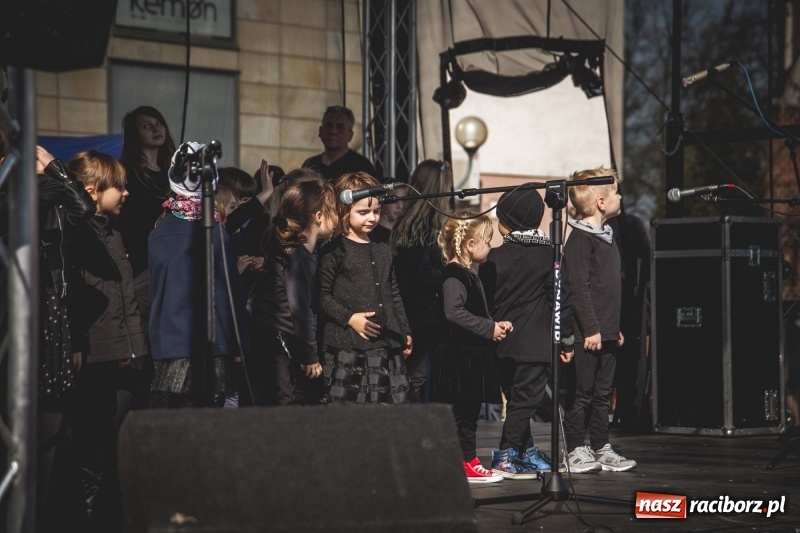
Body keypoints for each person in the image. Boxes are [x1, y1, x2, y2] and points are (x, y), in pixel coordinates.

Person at [64, 150, 149, 527]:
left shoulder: (113, 233)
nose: (126, 193)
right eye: (119, 187)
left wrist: (131, 348)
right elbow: (75, 296)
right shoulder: (75, 235)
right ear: (92, 191)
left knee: (116, 446)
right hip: (97, 357)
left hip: (123, 355)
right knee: (94, 448)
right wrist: (79, 343)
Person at [478, 187, 574, 479]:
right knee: (525, 402)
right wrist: (566, 339)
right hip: (534, 344)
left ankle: (525, 451)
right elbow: (561, 300)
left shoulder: (492, 257)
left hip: (500, 342)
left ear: (505, 222)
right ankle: (506, 454)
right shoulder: (549, 255)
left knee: (517, 401)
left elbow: (484, 300)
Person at [147, 142, 250, 408]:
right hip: (210, 344)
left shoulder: (158, 231)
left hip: (167, 343)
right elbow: (226, 293)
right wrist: (237, 343)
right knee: (204, 420)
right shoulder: (214, 232)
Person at [562, 167, 637, 472]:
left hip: (606, 332)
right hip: (586, 336)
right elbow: (579, 289)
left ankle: (600, 445)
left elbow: (608, 290)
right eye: (616, 192)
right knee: (583, 393)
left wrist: (612, 328)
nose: (621, 197)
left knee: (604, 393)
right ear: (602, 202)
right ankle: (577, 448)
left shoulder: (608, 238)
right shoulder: (580, 241)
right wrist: (591, 329)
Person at [317, 171, 412, 403]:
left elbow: (394, 294)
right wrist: (350, 318)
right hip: (348, 347)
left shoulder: (383, 249)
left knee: (385, 409)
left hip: (385, 345)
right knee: (349, 408)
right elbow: (321, 296)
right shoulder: (334, 251)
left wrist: (404, 329)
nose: (371, 217)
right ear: (344, 209)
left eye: (376, 211)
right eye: (363, 212)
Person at [432, 210, 509, 484]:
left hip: (469, 357)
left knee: (468, 412)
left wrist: (495, 325)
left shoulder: (469, 274)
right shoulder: (454, 275)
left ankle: (468, 459)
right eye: (487, 241)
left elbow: (471, 311)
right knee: (462, 412)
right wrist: (489, 328)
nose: (490, 246)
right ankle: (464, 461)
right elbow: (453, 312)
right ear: (470, 245)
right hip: (458, 359)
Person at [249, 179, 338, 405]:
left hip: (278, 337)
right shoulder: (298, 255)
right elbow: (300, 309)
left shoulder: (304, 252)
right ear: (319, 216)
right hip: (274, 338)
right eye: (334, 210)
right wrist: (310, 356)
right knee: (284, 401)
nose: (338, 217)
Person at [389, 160, 453, 402]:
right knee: (418, 377)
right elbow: (422, 274)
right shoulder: (429, 227)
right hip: (425, 314)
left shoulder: (406, 223)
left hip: (408, 310)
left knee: (415, 376)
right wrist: (452, 271)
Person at [301, 105, 377, 181]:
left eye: (340, 127)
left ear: (350, 135)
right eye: (329, 125)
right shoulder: (310, 164)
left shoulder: (362, 166)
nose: (333, 131)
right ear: (320, 130)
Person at [369, 177, 406, 244]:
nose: (400, 206)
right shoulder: (371, 235)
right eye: (394, 200)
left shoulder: (406, 234)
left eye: (403, 200)